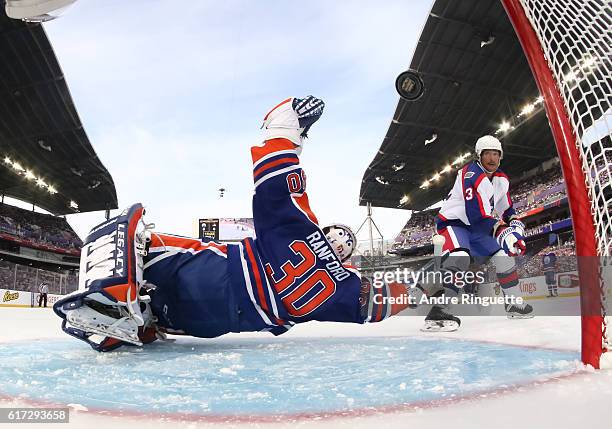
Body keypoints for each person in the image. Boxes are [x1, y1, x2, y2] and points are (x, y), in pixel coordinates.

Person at [53, 96, 410, 351]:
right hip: (219, 321)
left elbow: (277, 192)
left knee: (154, 248)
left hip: (214, 274)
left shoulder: (306, 236)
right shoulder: (343, 289)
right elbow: (374, 306)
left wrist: (284, 128)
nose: (338, 243)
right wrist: (428, 287)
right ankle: (138, 317)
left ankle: (125, 290)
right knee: (165, 310)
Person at [422, 135, 534, 332]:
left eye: (496, 154)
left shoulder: (501, 179)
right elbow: (477, 216)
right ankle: (438, 311)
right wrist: (504, 232)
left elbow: (506, 209)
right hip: (454, 223)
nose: (492, 159)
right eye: (487, 154)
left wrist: (515, 224)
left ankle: (513, 304)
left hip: (477, 226)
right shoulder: (471, 174)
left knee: (503, 257)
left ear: (501, 156)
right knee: (460, 258)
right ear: (478, 156)